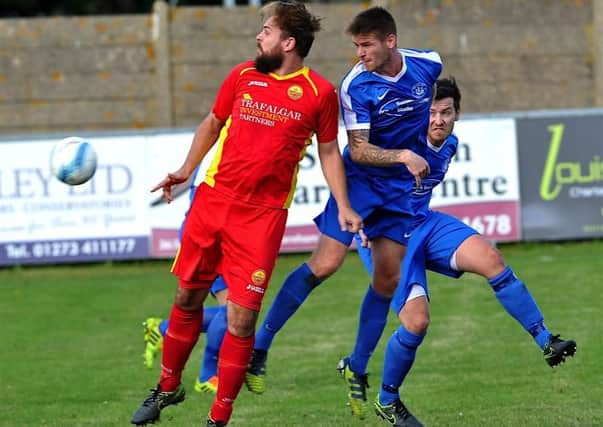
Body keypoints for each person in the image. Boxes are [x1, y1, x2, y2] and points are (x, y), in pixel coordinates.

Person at [130, 2, 362, 426]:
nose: (259, 37)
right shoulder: (242, 76)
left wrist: (344, 204)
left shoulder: (319, 94)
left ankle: (219, 417)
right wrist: (184, 171)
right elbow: (213, 122)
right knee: (186, 296)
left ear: (288, 43)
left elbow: (329, 151)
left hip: (262, 218)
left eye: (267, 31)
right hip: (213, 201)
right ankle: (167, 387)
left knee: (240, 319)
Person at [345, 77, 577, 427]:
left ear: (457, 114)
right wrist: (362, 219)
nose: (438, 120)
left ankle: (546, 340)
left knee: (492, 260)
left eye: (446, 112)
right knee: (416, 322)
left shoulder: (449, 145)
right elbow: (353, 163)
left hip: (425, 224)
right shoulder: (400, 141)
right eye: (432, 112)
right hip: (388, 236)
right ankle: (388, 400)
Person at [245, 6, 442, 407]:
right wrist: (405, 153)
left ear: (391, 41)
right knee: (326, 264)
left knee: (387, 281)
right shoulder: (354, 85)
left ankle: (357, 364)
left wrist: (420, 145)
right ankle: (260, 345)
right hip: (360, 183)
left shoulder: (429, 65)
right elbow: (358, 150)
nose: (360, 54)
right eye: (355, 46)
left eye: (367, 45)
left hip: (400, 193)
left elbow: (428, 101)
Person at [143, 164, 228, 395]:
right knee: (233, 309)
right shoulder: (221, 132)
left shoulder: (239, 134)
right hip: (207, 234)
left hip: (228, 232)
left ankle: (162, 328)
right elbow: (192, 173)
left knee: (236, 311)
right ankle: (207, 376)